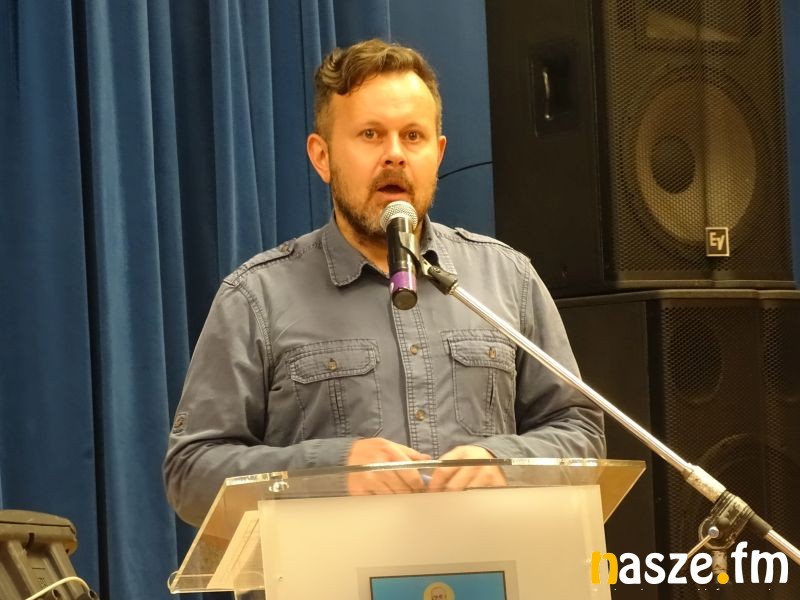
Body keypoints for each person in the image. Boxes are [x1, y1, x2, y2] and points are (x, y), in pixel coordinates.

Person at [163, 39, 605, 526]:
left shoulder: (508, 278)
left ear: (438, 154)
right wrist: (329, 470)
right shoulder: (256, 297)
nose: (394, 155)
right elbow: (191, 473)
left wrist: (503, 463)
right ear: (322, 156)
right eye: (371, 134)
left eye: (413, 136)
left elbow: (580, 432)